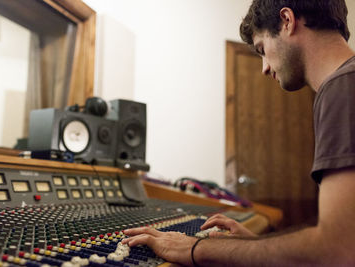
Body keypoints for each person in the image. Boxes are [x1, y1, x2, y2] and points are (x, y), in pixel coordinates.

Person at [122, 0, 355, 265]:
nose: (265, 67)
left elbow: (337, 251)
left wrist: (194, 249)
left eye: (262, 49)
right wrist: (255, 246)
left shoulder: (342, 86)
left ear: (287, 21)